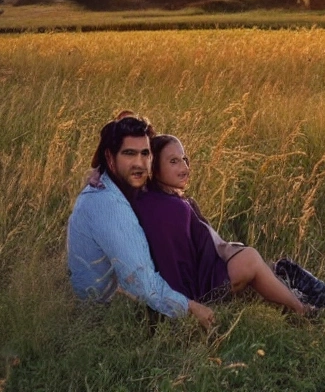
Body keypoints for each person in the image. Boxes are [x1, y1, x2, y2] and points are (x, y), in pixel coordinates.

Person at [134, 134, 325, 319]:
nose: (184, 167)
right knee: (251, 259)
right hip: (199, 292)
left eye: (184, 159)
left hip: (203, 280)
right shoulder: (168, 208)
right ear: (154, 168)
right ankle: (303, 311)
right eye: (174, 161)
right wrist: (188, 304)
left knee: (280, 269)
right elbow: (176, 262)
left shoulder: (167, 200)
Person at [67, 114, 216, 329]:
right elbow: (143, 285)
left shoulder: (107, 184)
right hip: (101, 319)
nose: (139, 164)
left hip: (111, 301)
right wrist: (192, 308)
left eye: (145, 154)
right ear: (110, 157)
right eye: (129, 154)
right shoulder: (110, 206)